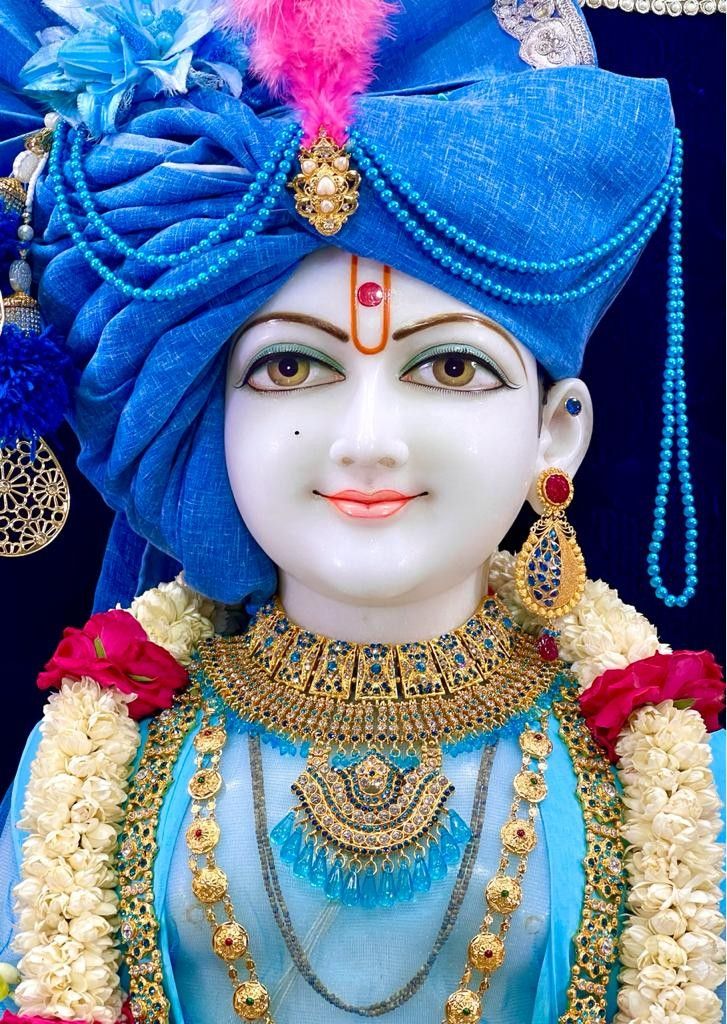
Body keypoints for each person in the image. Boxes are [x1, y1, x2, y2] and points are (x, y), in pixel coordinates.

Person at [0, 1, 723, 1023]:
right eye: (293, 368)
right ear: (210, 413)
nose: (367, 439)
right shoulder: (93, 761)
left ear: (555, 433)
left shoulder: (677, 777)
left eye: (450, 368)